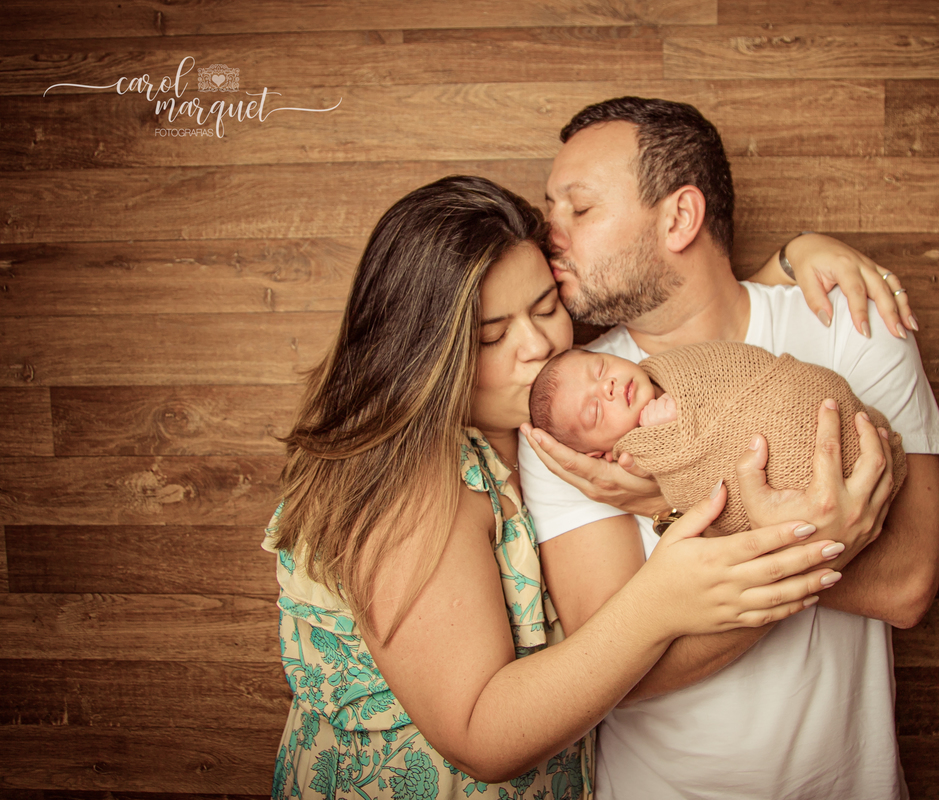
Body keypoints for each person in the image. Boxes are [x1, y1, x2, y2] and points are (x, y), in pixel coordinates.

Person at [262, 175, 882, 799]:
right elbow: (480, 737)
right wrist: (661, 602)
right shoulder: (415, 481)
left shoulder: (532, 414)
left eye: (547, 307)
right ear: (421, 352)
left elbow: (678, 318)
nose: (539, 346)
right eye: (491, 336)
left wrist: (790, 259)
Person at [518, 97, 939, 799]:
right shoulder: (577, 418)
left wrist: (675, 504)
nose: (549, 237)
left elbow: (906, 587)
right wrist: (819, 541)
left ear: (680, 218)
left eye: (579, 209)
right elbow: (611, 676)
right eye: (548, 210)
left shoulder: (849, 325)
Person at [527, 342, 908, 535]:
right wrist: (664, 439)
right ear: (603, 454)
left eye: (601, 368)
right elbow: (696, 484)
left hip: (804, 400)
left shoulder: (674, 363)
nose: (607, 387)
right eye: (595, 411)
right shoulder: (638, 461)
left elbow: (734, 365)